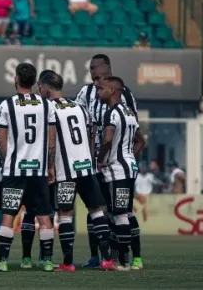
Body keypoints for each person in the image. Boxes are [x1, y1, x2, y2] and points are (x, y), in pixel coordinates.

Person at [37, 71, 115, 272]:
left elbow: (50, 140)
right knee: (97, 211)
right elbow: (92, 134)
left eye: (40, 88)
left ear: (45, 88)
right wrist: (89, 159)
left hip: (65, 172)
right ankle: (106, 259)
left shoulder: (47, 108)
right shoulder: (80, 108)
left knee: (65, 214)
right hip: (85, 168)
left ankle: (68, 262)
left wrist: (49, 167)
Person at [75, 54, 139, 269]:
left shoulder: (125, 95)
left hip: (114, 164)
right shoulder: (86, 92)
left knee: (122, 211)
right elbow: (78, 119)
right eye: (91, 69)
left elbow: (134, 132)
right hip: (94, 163)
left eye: (96, 69)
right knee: (96, 208)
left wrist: (126, 158)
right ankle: (98, 256)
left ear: (108, 69)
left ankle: (130, 256)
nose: (93, 74)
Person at [0, 63, 56, 272]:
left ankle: (3, 261)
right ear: (35, 82)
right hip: (37, 170)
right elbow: (51, 141)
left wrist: (7, 160)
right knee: (44, 217)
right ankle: (47, 261)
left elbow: (1, 140)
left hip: (14, 170)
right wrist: (50, 166)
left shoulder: (6, 105)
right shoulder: (47, 105)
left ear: (16, 80)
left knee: (9, 215)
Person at [97, 76, 145, 271]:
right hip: (129, 169)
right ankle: (127, 259)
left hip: (117, 171)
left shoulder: (112, 113)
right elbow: (141, 140)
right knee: (122, 212)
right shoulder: (130, 112)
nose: (99, 92)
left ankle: (123, 262)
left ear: (112, 91)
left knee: (119, 214)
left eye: (102, 89)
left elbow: (107, 139)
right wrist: (129, 157)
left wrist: (100, 160)